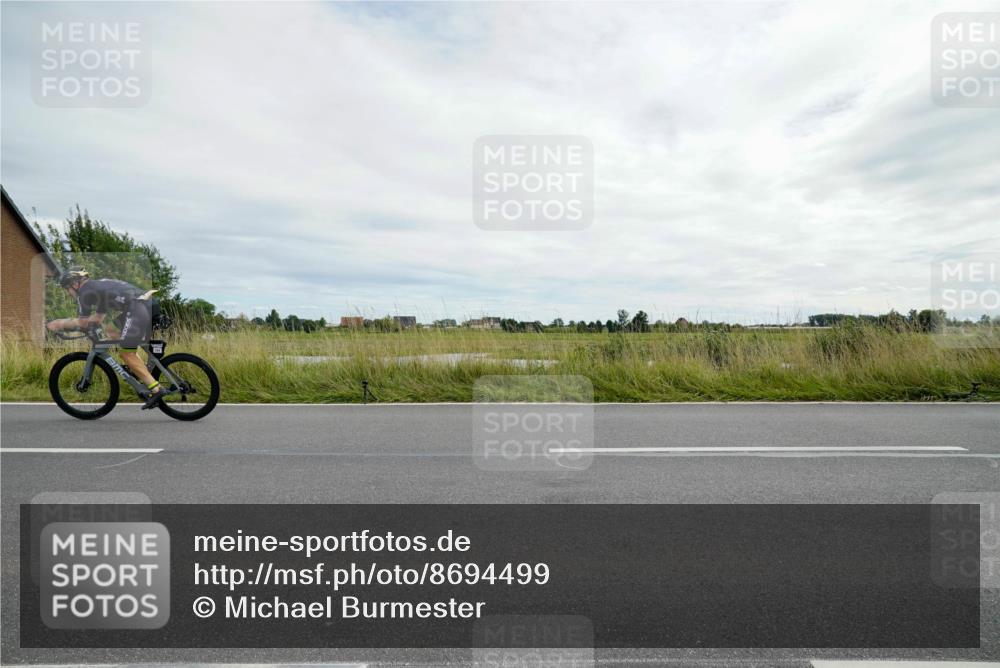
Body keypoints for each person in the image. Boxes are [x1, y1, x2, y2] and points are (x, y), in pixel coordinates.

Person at [47, 269, 165, 409]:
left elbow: (83, 322)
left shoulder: (84, 292)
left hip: (138, 308)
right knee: (111, 329)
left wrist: (57, 324)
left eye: (67, 288)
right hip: (146, 304)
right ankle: (140, 370)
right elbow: (97, 319)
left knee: (126, 353)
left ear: (75, 284)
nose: (68, 293)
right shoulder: (97, 288)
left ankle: (157, 390)